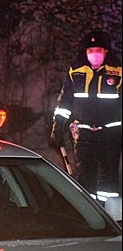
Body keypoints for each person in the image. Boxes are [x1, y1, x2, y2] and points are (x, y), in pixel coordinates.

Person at [50, 30, 122, 197]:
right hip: (83, 133)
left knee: (109, 180)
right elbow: (65, 101)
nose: (94, 54)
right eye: (90, 51)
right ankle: (90, 215)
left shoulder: (117, 71)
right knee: (85, 178)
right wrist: (58, 125)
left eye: (98, 50)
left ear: (106, 51)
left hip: (110, 134)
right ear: (85, 52)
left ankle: (110, 215)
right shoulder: (76, 71)